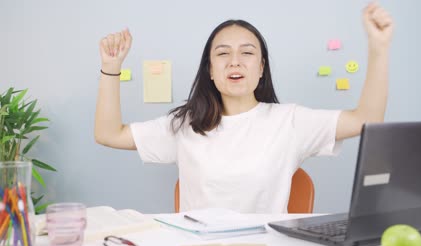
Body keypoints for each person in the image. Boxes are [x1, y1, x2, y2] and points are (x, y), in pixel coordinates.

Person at [95, 3, 393, 213]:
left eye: (247, 53)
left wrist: (378, 49)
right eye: (223, 53)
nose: (235, 61)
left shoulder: (289, 121)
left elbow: (366, 119)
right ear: (210, 70)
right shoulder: (186, 123)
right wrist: (111, 68)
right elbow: (108, 134)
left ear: (261, 68)